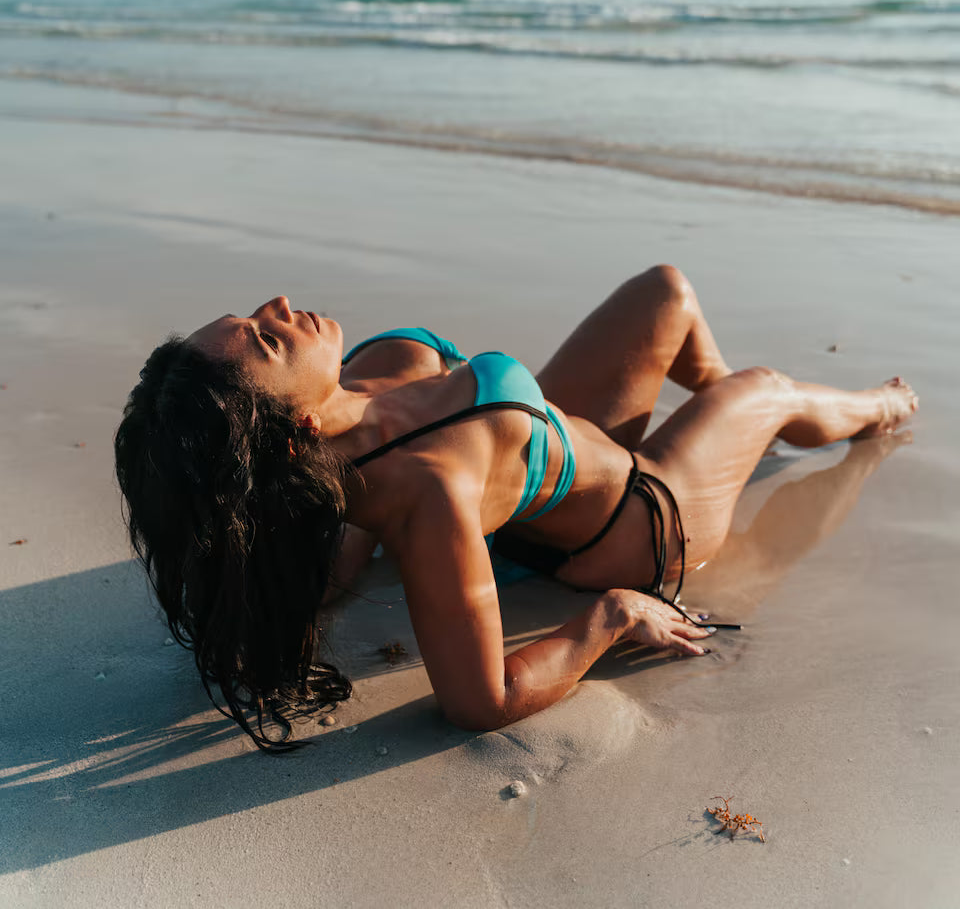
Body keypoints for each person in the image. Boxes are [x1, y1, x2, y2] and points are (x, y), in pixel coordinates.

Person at [114, 266, 918, 751]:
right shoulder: (430, 491)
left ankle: (722, 418)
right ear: (294, 428)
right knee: (766, 389)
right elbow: (478, 701)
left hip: (558, 447)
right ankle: (876, 411)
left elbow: (340, 538)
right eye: (267, 339)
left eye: (254, 317)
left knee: (665, 293)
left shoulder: (335, 436)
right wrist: (611, 616)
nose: (281, 304)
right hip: (647, 515)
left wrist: (312, 576)